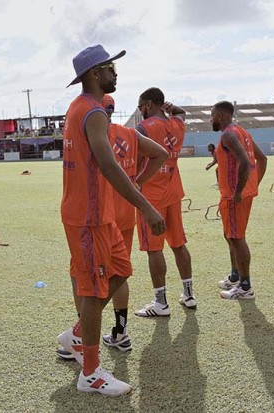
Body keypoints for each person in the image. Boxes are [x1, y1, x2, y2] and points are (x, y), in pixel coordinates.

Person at [57, 44, 165, 396]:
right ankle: (90, 373)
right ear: (94, 73)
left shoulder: (83, 108)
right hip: (88, 217)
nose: (115, 73)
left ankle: (77, 334)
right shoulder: (92, 112)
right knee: (93, 290)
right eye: (110, 68)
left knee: (120, 271)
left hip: (99, 214)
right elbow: (108, 164)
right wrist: (146, 207)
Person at [133, 87, 194, 317]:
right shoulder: (176, 124)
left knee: (154, 249)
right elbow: (181, 113)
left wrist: (137, 182)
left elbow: (138, 159)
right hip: (173, 191)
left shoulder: (144, 128)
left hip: (151, 195)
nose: (140, 111)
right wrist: (171, 108)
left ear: (149, 104)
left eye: (141, 106)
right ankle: (189, 295)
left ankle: (160, 303)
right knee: (178, 244)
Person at [211, 101, 267, 300]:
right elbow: (262, 159)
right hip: (239, 194)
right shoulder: (242, 132)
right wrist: (253, 185)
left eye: (212, 115)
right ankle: (235, 276)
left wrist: (238, 191)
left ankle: (245, 287)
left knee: (236, 238)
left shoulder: (228, 135)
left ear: (220, 116)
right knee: (230, 236)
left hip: (234, 196)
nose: (210, 119)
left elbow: (244, 160)